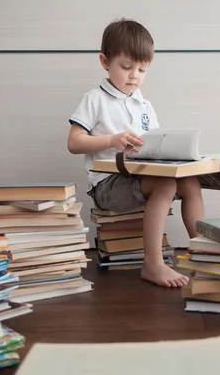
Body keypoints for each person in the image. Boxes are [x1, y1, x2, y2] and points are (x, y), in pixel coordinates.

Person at [67, 18, 204, 288]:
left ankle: (205, 253)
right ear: (105, 61)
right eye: (127, 67)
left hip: (140, 175)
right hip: (107, 185)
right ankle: (152, 263)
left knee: (190, 181)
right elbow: (74, 142)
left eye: (142, 69)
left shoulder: (144, 104)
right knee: (165, 184)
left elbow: (155, 143)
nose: (135, 76)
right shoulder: (95, 99)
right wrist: (113, 140)